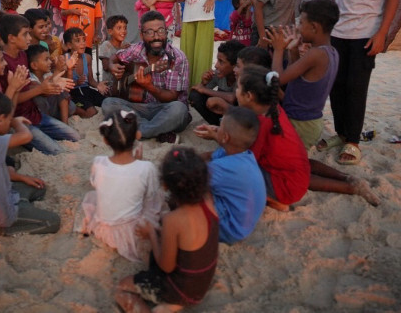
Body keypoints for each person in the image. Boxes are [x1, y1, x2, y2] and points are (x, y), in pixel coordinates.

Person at [233, 65, 379, 211]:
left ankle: (276, 202)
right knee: (302, 164)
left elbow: (248, 160)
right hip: (297, 172)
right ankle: (347, 178)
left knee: (238, 177)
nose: (236, 92)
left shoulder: (261, 123)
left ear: (249, 96)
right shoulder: (274, 109)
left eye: (238, 88)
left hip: (287, 189)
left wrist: (220, 138)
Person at [115, 147, 218, 312]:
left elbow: (166, 267)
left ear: (165, 186)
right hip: (202, 283)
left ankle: (168, 305)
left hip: (180, 290)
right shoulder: (208, 202)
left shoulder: (173, 220)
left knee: (121, 288)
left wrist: (152, 236)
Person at [319, 0, 398, 165]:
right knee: (336, 86)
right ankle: (342, 134)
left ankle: (353, 141)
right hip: (338, 32)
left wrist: (382, 33)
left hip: (365, 33)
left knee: (356, 87)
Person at [0, 90, 61, 234]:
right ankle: (2, 229)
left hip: (4, 193)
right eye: (8, 120)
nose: (9, 124)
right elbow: (26, 136)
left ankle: (23, 207)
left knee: (39, 188)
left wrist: (22, 178)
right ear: (0, 120)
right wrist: (16, 123)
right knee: (53, 221)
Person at [77, 110, 166, 262]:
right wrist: (139, 163)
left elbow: (95, 184)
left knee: (92, 196)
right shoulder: (146, 168)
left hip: (103, 227)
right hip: (131, 229)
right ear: (138, 135)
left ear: (105, 140)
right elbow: (149, 194)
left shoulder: (98, 162)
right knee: (157, 198)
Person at [0, 14, 81, 155]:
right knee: (56, 151)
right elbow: (10, 100)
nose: (29, 38)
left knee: (75, 137)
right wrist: (41, 89)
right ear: (11, 38)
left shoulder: (23, 55)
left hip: (35, 114)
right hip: (18, 120)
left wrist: (55, 79)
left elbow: (30, 85)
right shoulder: (2, 63)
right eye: (25, 35)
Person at [104, 11, 190, 143]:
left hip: (166, 108)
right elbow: (116, 56)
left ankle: (139, 130)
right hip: (141, 106)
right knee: (108, 104)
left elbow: (172, 97)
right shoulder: (137, 49)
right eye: (150, 32)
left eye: (161, 31)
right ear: (141, 35)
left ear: (166, 32)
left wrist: (148, 86)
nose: (156, 37)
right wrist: (111, 66)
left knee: (179, 110)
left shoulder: (177, 58)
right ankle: (157, 131)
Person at [266, 0, 339, 151]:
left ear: (314, 27)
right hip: (310, 121)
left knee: (290, 164)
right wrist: (293, 50)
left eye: (301, 23)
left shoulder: (316, 54)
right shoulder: (330, 51)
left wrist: (278, 49)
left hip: (301, 123)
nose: (298, 28)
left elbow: (278, 78)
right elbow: (300, 77)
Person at [195, 106, 266, 244]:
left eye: (220, 126)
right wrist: (216, 135)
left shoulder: (221, 168)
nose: (216, 128)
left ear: (225, 137)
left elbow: (194, 179)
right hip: (244, 220)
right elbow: (211, 156)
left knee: (188, 195)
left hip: (231, 229)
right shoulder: (244, 154)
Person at [177, 0, 226, 85]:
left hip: (205, 17)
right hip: (188, 19)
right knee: (186, 57)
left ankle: (198, 90)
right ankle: (184, 91)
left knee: (202, 57)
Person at [190, 40, 245, 125]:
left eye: (221, 61)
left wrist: (204, 89)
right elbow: (200, 90)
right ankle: (218, 125)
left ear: (235, 65)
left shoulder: (243, 76)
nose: (216, 65)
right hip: (223, 113)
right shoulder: (219, 73)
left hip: (239, 116)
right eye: (217, 60)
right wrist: (204, 83)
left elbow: (232, 98)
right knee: (195, 96)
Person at [64, 27, 107, 118]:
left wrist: (98, 85)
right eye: (78, 40)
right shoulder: (65, 59)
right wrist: (76, 83)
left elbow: (91, 80)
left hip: (86, 90)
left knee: (107, 102)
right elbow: (64, 84)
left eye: (84, 39)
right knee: (91, 112)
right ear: (69, 45)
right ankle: (74, 109)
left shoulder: (87, 58)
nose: (83, 43)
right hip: (73, 92)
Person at [27, 44, 76, 123]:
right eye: (46, 60)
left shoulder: (47, 74)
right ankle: (49, 123)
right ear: (34, 65)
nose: (50, 62)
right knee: (41, 100)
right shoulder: (30, 77)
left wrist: (69, 69)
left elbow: (67, 86)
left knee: (71, 105)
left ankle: (65, 123)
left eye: (49, 59)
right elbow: (45, 92)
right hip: (41, 111)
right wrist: (57, 71)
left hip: (52, 108)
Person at [99, 15, 131, 84]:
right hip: (109, 85)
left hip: (123, 84)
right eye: (119, 28)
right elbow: (105, 66)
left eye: (125, 28)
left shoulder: (126, 44)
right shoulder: (106, 45)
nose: (123, 31)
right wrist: (120, 52)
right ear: (110, 31)